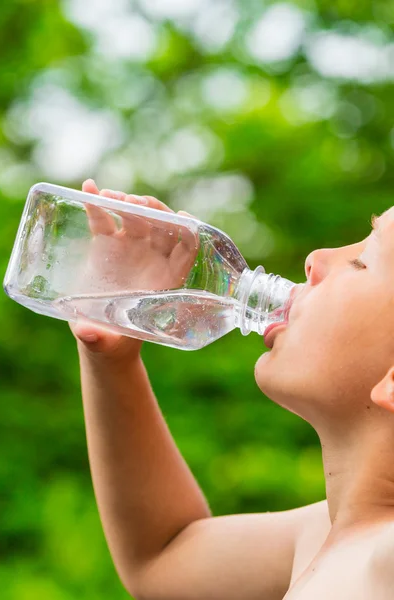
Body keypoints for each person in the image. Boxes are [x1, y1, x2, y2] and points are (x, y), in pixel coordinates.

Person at [72, 178, 394, 599]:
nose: (316, 259)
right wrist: (111, 357)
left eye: (363, 261)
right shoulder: (321, 538)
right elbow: (161, 557)